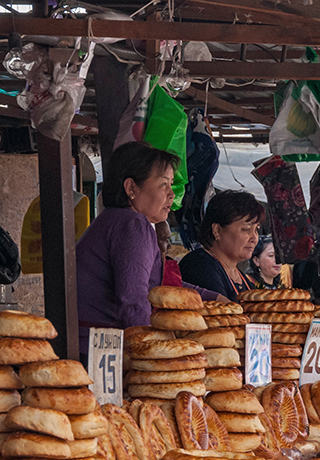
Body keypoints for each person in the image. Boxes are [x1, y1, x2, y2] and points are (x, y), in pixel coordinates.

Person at [75, 142, 216, 355]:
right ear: (131, 187)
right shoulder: (132, 224)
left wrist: (213, 298)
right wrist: (152, 352)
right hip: (101, 352)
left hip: (91, 346)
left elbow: (158, 284)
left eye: (170, 185)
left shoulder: (113, 220)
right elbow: (133, 299)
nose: (171, 194)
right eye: (163, 185)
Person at [179, 190, 264, 301]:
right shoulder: (200, 266)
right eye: (246, 229)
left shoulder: (244, 279)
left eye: (256, 230)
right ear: (217, 230)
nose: (254, 238)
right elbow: (220, 315)